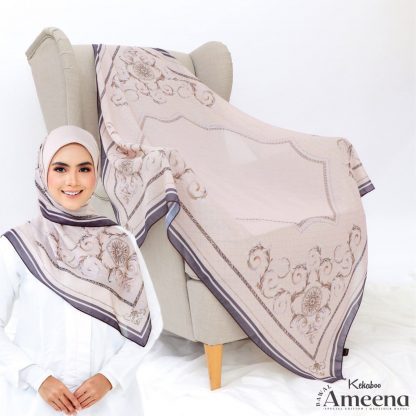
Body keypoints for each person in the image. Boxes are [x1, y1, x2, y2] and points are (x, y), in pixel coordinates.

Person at [0, 125, 164, 415]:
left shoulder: (119, 242)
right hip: (36, 402)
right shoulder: (19, 244)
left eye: (84, 169)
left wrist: (110, 377)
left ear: (96, 173)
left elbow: (148, 323)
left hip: (108, 403)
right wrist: (36, 377)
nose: (72, 181)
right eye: (60, 169)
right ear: (43, 172)